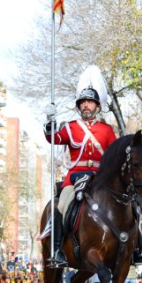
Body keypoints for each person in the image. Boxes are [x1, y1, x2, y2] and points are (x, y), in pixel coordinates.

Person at [44, 65, 118, 267]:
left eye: (90, 102)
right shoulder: (71, 127)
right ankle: (58, 250)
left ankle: (135, 248)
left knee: (127, 203)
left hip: (100, 179)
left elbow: (114, 155)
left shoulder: (107, 130)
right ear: (79, 106)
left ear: (97, 106)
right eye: (83, 102)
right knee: (62, 205)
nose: (86, 105)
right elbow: (54, 138)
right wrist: (49, 122)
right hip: (75, 176)